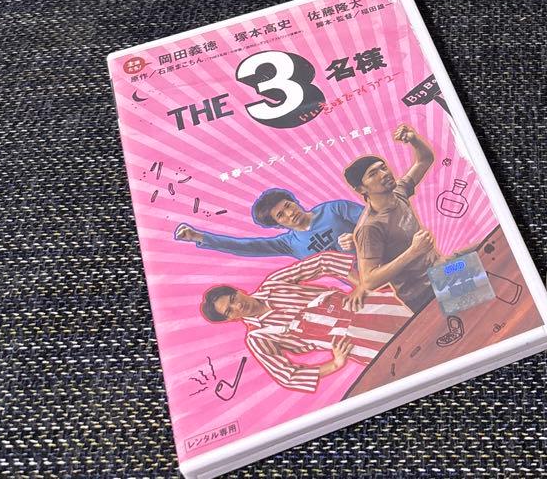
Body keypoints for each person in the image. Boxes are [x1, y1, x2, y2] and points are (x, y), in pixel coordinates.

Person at [200, 250, 411, 393]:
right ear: (229, 319)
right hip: (357, 342)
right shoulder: (258, 337)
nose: (238, 306)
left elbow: (323, 262)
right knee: (413, 351)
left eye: (233, 299)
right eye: (230, 310)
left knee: (423, 311)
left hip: (365, 305)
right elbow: (287, 376)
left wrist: (362, 285)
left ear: (238, 291)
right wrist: (334, 364)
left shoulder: (274, 283)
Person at [344, 124, 438, 314]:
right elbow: (369, 280)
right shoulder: (370, 227)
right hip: (423, 294)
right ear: (361, 189)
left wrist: (414, 139)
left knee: (487, 259)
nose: (384, 174)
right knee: (481, 314)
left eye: (383, 167)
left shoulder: (399, 191)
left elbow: (425, 159)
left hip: (444, 271)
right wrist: (413, 252)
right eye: (373, 174)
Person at [174, 186, 363, 260]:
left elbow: (375, 219)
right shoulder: (290, 244)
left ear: (295, 201)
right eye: (281, 215)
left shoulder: (334, 209)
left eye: (288, 206)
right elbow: (247, 246)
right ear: (278, 225)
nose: (290, 213)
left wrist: (358, 237)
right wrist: (199, 236)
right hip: (364, 286)